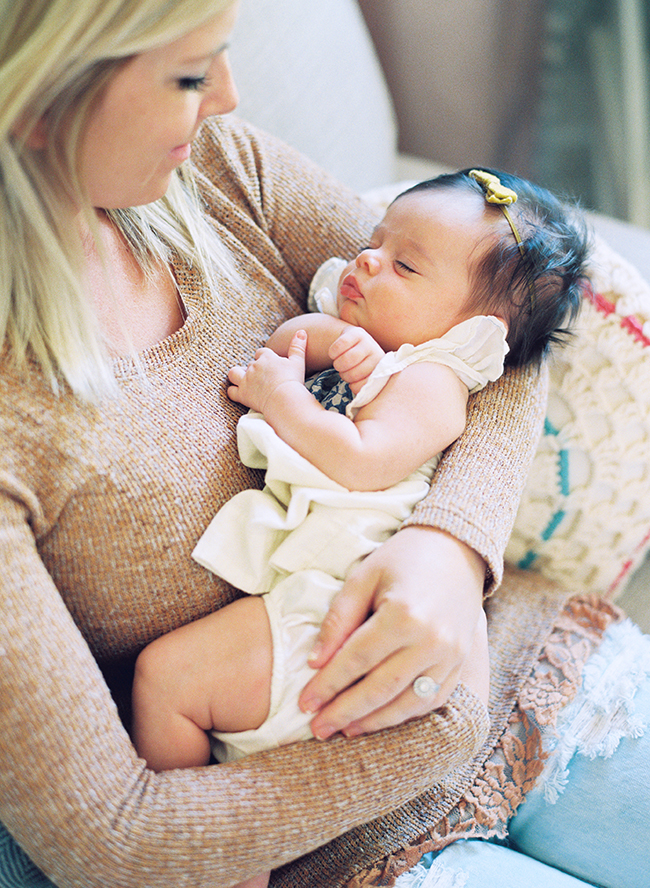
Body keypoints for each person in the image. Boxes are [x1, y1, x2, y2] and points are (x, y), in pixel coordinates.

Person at [0, 1, 645, 887]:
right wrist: (439, 723)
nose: (228, 96)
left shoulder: (212, 163)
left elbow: (490, 325)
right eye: (188, 74)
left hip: (534, 675)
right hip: (310, 833)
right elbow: (112, 837)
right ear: (39, 98)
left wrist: (450, 549)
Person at [130, 169, 587, 782]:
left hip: (349, 605)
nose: (368, 259)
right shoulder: (374, 343)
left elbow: (360, 459)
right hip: (317, 587)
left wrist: (283, 398)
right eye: (374, 242)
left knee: (166, 681)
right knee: (176, 688)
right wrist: (339, 336)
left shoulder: (432, 379)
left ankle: (191, 832)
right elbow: (286, 342)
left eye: (406, 266)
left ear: (473, 330)